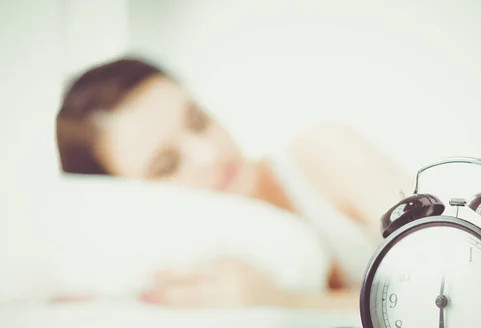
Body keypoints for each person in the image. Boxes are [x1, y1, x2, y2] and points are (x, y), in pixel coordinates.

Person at [55, 57, 410, 310]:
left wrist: (286, 304)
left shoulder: (324, 151)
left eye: (198, 121)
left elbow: (442, 288)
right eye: (168, 165)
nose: (209, 154)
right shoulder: (184, 267)